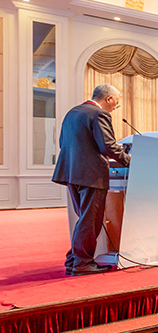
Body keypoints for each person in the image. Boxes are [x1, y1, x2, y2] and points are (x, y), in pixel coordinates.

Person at [52, 84, 131, 276]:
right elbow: (108, 146)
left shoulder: (72, 113)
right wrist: (130, 161)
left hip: (71, 173)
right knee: (91, 221)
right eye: (115, 104)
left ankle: (74, 260)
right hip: (91, 175)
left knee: (84, 219)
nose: (114, 108)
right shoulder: (99, 114)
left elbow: (62, 142)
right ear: (109, 98)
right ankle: (82, 264)